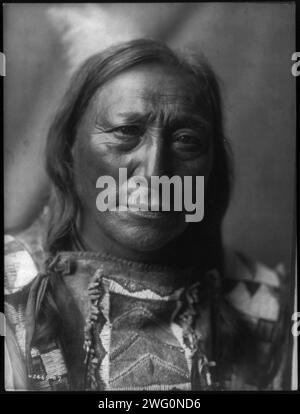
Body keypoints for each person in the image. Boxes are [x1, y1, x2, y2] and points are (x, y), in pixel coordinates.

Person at [4, 38, 289, 391]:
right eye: (126, 132)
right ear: (68, 152)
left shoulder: (271, 307)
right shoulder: (9, 289)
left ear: (212, 168)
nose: (155, 174)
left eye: (186, 140)